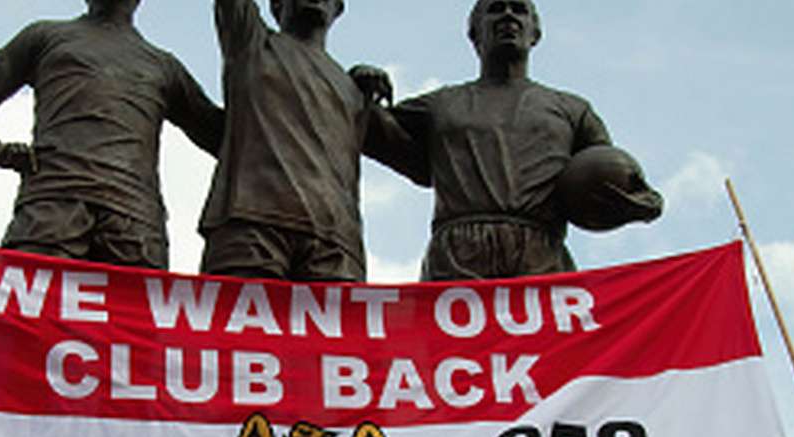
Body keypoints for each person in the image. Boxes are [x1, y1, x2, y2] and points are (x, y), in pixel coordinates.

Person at [366, 0, 659, 280]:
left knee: (547, 334)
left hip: (540, 251)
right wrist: (362, 89)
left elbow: (612, 175)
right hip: (459, 253)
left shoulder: (571, 109)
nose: (508, 16)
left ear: (535, 32)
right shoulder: (442, 104)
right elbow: (367, 127)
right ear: (474, 33)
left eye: (519, 10)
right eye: (496, 9)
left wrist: (637, 203)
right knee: (454, 334)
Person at [0, 0, 224, 269]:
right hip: (52, 209)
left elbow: (229, 140)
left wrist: (262, 83)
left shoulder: (164, 67)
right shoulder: (44, 37)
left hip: (135, 226)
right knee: (29, 308)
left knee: (130, 313)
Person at [200, 0, 388, 282]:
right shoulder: (251, 43)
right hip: (252, 222)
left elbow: (420, 160)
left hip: (335, 240)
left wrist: (368, 96)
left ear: (338, 9)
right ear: (277, 5)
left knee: (334, 326)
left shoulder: (354, 89)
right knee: (242, 323)